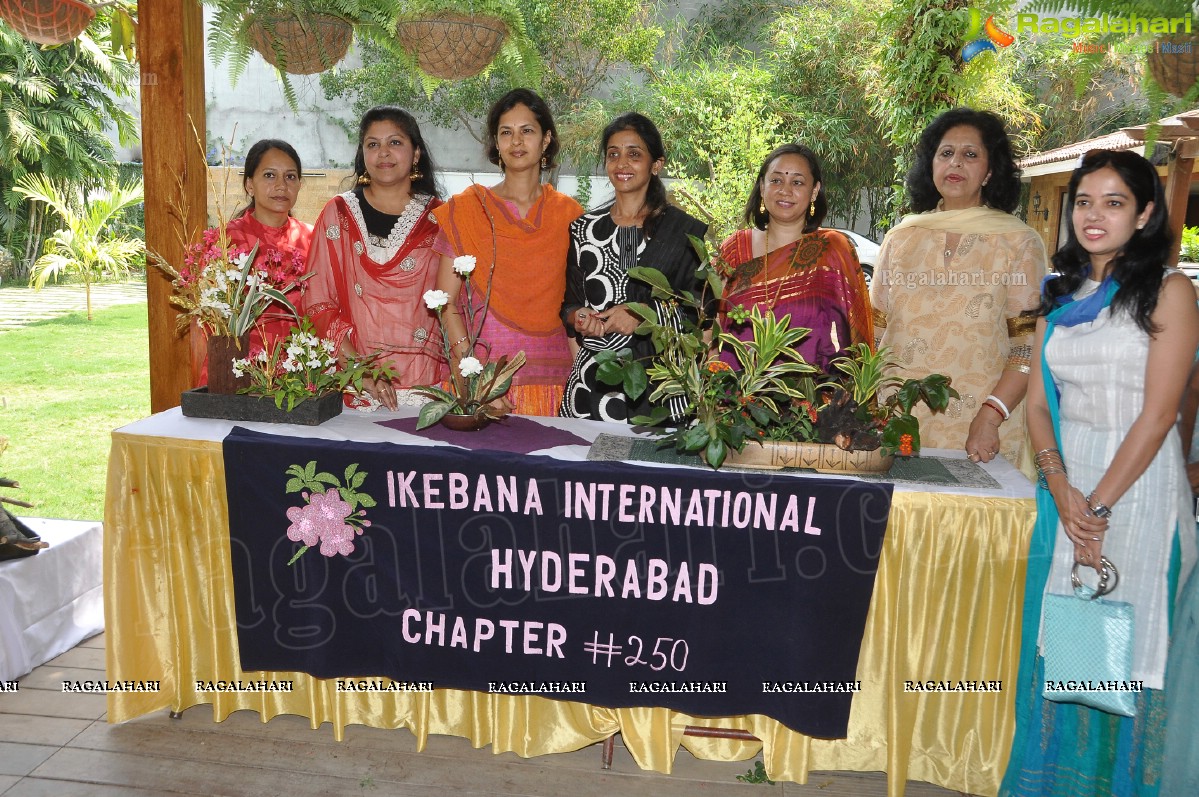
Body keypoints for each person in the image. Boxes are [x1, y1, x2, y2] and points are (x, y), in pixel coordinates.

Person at [1002, 149, 1199, 795]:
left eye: (1113, 202)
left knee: (1128, 646)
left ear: (1143, 213)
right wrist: (1063, 494)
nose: (1093, 214)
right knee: (1067, 644)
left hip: (1138, 489)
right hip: (1067, 481)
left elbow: (1159, 411)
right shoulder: (1059, 295)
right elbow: (1036, 403)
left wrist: (1097, 508)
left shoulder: (1169, 289)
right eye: (1084, 200)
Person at [870, 108, 1047, 468]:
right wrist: (863, 404)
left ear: (991, 170)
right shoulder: (901, 239)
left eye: (970, 154)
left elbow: (1028, 346)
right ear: (930, 164)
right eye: (945, 153)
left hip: (980, 429)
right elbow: (873, 332)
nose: (956, 163)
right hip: (896, 421)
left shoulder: (1018, 243)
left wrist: (990, 415)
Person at [431, 88, 583, 416]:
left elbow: (578, 303)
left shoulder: (569, 216)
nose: (516, 141)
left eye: (527, 131)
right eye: (506, 132)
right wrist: (473, 374)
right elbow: (445, 303)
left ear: (545, 141)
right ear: (496, 145)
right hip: (482, 388)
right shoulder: (467, 211)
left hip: (554, 385)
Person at [558, 112, 707, 422]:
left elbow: (699, 312)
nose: (621, 163)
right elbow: (569, 305)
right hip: (590, 388)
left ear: (656, 164)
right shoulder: (582, 229)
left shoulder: (684, 233)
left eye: (634, 154)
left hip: (662, 392)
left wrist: (643, 314)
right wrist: (580, 317)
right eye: (613, 154)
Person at [304, 106, 444, 410]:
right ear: (362, 154)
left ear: (416, 153)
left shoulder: (439, 219)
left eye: (395, 142)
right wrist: (362, 371)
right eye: (373, 144)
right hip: (354, 385)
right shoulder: (338, 214)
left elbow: (454, 304)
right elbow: (318, 302)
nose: (384, 153)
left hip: (424, 386)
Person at [719, 143, 872, 372]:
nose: (785, 190)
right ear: (762, 187)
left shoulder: (831, 250)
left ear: (814, 191)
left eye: (797, 182)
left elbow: (856, 334)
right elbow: (710, 327)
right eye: (776, 180)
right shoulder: (734, 249)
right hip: (736, 397)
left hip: (808, 399)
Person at [226, 139, 313, 350]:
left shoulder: (312, 239)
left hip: (303, 369)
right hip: (242, 366)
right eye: (269, 175)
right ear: (249, 184)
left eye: (290, 177)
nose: (281, 185)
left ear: (299, 185)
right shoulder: (227, 240)